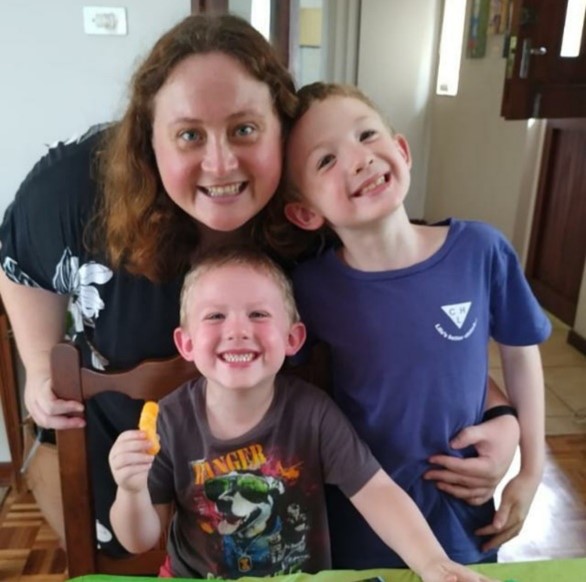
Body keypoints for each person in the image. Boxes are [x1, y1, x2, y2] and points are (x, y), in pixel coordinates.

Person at [0, 12, 517, 558]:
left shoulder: (323, 201)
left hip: (298, 503)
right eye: (189, 135)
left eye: (245, 129)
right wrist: (39, 366)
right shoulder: (76, 188)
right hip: (127, 475)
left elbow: (415, 330)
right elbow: (20, 267)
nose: (221, 163)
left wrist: (501, 417)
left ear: (282, 129)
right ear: (149, 141)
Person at [274, 82, 551, 569]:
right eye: (326, 160)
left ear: (401, 150)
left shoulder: (481, 251)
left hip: (462, 510)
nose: (358, 159)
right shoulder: (309, 288)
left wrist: (530, 470)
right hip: (360, 516)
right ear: (305, 212)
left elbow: (520, 354)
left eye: (367, 135)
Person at [109, 246, 498, 582]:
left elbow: (377, 491)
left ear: (293, 338)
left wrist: (431, 561)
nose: (238, 330)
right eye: (215, 317)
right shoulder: (169, 422)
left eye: (258, 314)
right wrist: (130, 491)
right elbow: (139, 540)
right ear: (187, 343)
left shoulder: (313, 413)